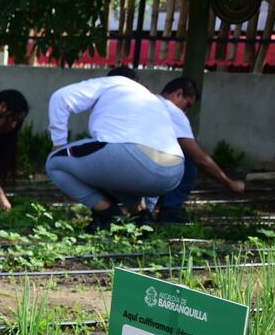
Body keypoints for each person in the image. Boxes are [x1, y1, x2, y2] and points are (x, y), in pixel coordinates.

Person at [46, 67, 184, 233]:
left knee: (54, 163)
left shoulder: (113, 83)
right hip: (173, 174)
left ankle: (108, 213)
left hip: (130, 159)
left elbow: (60, 97)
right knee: (111, 170)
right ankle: (141, 217)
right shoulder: (152, 99)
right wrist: (148, 208)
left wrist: (58, 145)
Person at [143, 77, 246, 224]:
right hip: (146, 167)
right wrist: (229, 183)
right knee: (188, 156)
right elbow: (200, 159)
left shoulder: (146, 101)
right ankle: (171, 208)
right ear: (178, 94)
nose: (185, 112)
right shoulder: (171, 110)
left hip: (118, 161)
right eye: (187, 106)